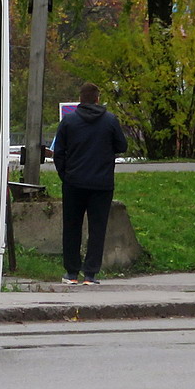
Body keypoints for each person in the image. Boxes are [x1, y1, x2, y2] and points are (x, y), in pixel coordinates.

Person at [53, 82, 128, 285]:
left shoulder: (69, 121)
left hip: (74, 183)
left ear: (80, 99)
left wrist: (65, 175)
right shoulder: (110, 120)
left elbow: (58, 152)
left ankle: (71, 273)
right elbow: (122, 145)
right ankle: (90, 274)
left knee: (72, 227)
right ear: (97, 98)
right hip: (101, 184)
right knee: (97, 228)